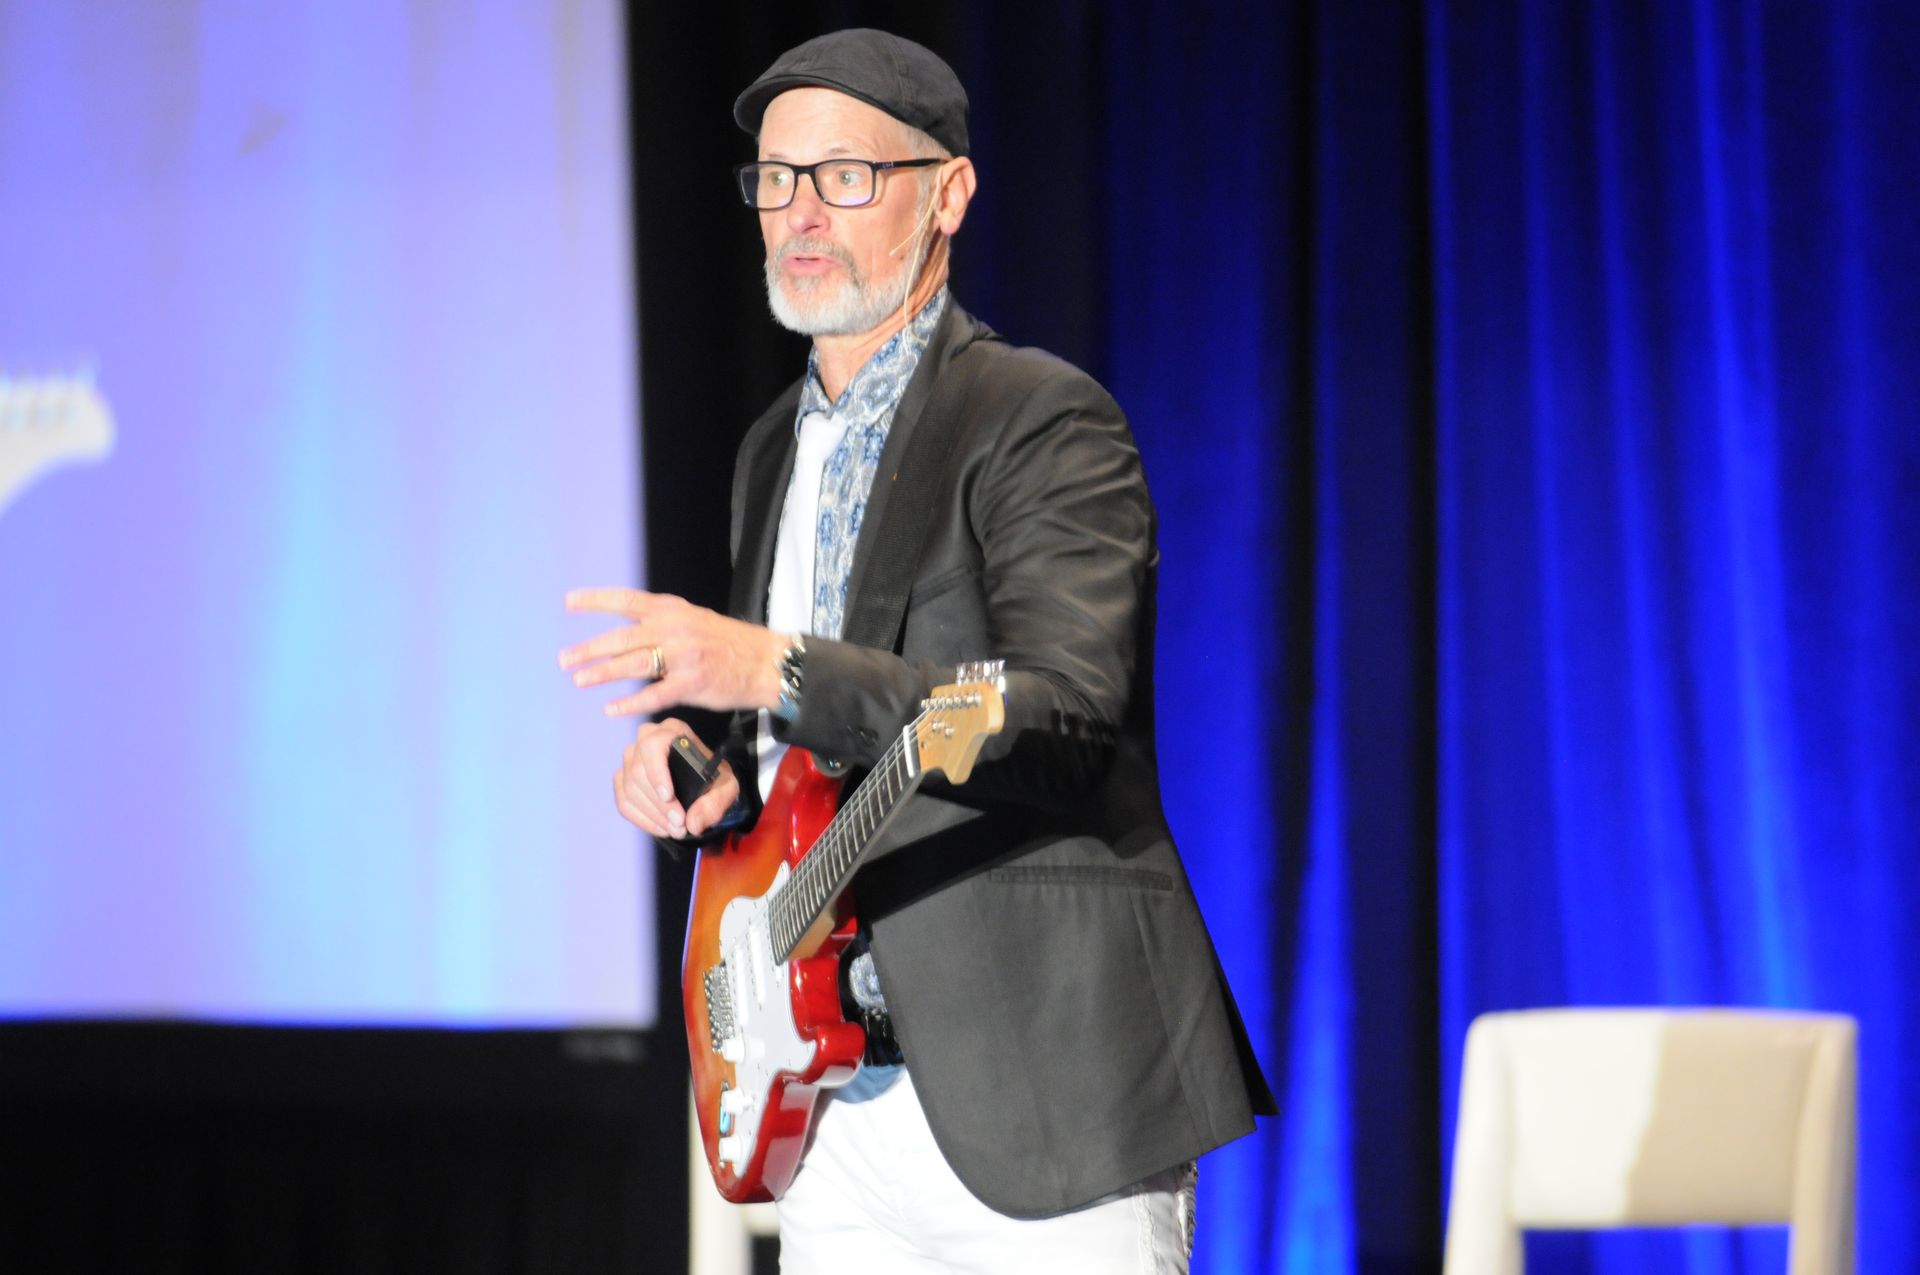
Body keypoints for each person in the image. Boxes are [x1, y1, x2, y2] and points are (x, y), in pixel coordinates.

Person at [560, 28, 1274, 1273]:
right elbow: (802, 766)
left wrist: (769, 669)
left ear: (948, 194)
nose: (798, 211)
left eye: (845, 176)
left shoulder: (1040, 418)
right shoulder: (771, 451)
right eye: (776, 178)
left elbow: (1064, 712)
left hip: (1043, 1098)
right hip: (834, 1115)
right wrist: (709, 787)